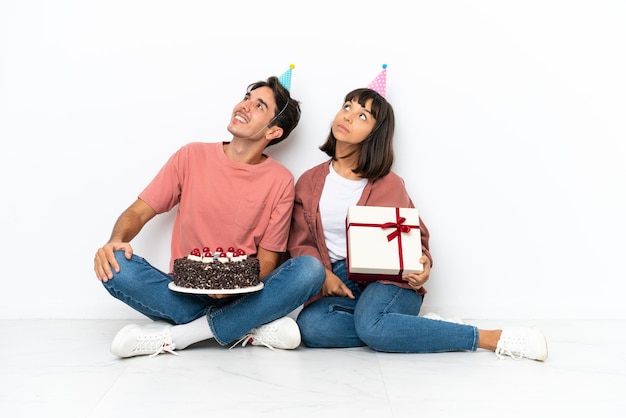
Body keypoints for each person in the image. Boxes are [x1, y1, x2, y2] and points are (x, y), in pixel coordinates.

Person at [288, 76, 548, 361]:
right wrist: (323, 274)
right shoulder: (310, 181)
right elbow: (301, 240)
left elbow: (416, 238)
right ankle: (404, 326)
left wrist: (423, 264)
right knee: (311, 328)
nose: (348, 116)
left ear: (375, 133)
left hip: (389, 280)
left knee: (372, 325)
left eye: (362, 115)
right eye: (347, 106)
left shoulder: (389, 183)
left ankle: (489, 338)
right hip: (340, 276)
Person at [94, 73, 325, 358]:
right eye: (246, 98)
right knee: (114, 264)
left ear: (273, 132)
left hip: (244, 292)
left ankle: (182, 336)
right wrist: (115, 240)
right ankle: (246, 325)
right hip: (181, 290)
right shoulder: (191, 156)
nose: (244, 106)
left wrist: (231, 287)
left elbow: (267, 262)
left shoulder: (280, 181)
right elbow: (138, 212)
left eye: (259, 106)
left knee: (310, 270)